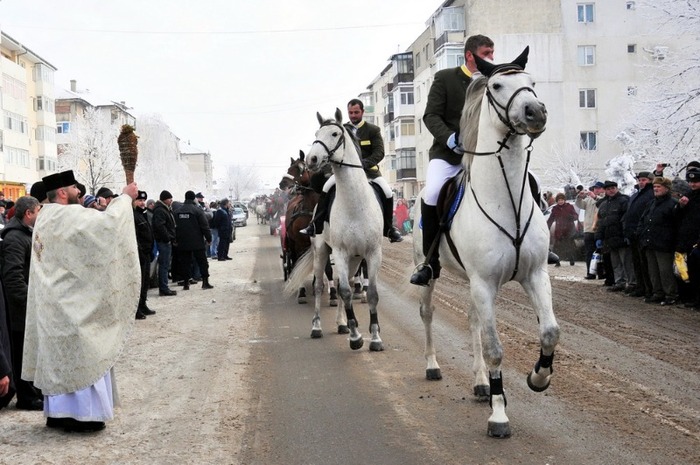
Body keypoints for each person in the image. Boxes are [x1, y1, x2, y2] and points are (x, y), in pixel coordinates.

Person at [23, 169, 140, 432]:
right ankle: (85, 415)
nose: (80, 192)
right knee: (86, 354)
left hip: (52, 306)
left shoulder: (44, 217)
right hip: (74, 305)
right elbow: (108, 226)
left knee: (58, 363)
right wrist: (124, 198)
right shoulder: (69, 214)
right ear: (63, 192)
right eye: (75, 188)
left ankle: (58, 414)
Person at [409, 34, 495, 286]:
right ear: (470, 55)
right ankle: (429, 261)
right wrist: (449, 138)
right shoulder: (445, 78)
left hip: (485, 156)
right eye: (487, 53)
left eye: (492, 52)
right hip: (449, 156)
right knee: (432, 192)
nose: (492, 57)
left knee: (528, 178)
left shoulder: (495, 81)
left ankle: (534, 248)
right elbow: (431, 116)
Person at [299, 99, 403, 243]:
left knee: (387, 192)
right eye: (350, 112)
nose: (353, 115)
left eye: (356, 112)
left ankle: (390, 228)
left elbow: (379, 152)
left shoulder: (373, 130)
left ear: (362, 112)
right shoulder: (341, 129)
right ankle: (315, 225)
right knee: (326, 188)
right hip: (344, 173)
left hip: (369, 173)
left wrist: (363, 164)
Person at [0, 196, 43, 410]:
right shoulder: (15, 238)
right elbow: (13, 277)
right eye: (38, 211)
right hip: (19, 310)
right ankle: (26, 397)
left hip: (26, 307)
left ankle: (32, 392)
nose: (40, 215)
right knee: (21, 353)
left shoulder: (25, 233)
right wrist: (30, 301)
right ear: (28, 214)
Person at [637, 177, 679, 305]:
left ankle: (671, 294)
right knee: (653, 271)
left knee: (665, 271)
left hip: (664, 243)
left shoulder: (672, 203)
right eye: (654, 187)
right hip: (650, 242)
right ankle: (657, 293)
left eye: (658, 187)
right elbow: (643, 220)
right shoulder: (652, 203)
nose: (655, 189)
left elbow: (676, 224)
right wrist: (641, 233)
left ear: (666, 188)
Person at [595, 180, 633, 292]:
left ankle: (631, 283)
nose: (611, 191)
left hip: (621, 237)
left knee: (627, 262)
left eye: (613, 188)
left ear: (617, 188)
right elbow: (601, 222)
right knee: (615, 263)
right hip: (609, 239)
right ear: (605, 191)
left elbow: (627, 219)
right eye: (608, 189)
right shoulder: (604, 204)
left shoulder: (624, 201)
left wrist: (627, 234)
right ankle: (619, 282)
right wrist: (599, 237)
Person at [622, 171, 655, 297]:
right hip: (632, 234)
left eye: (644, 180)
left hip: (642, 234)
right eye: (640, 180)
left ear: (650, 181)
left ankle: (649, 288)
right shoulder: (636, 195)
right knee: (636, 263)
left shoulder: (651, 194)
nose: (641, 182)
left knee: (645, 264)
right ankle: (641, 287)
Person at [174, 191, 214, 290]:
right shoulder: (197, 210)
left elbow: (174, 227)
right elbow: (205, 226)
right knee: (202, 262)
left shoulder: (177, 211)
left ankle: (186, 284)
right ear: (193, 199)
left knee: (185, 263)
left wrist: (175, 239)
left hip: (182, 242)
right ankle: (205, 282)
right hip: (197, 241)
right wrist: (209, 238)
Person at [675, 167, 700, 308]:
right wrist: (681, 206)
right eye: (691, 181)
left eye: (696, 181)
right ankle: (694, 298)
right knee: (691, 272)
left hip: (697, 240)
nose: (692, 184)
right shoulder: (689, 195)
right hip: (688, 239)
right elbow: (680, 218)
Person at [133, 190, 155, 319]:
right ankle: (137, 309)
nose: (142, 203)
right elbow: (136, 237)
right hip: (140, 254)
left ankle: (143, 304)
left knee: (145, 281)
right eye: (139, 200)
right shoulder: (134, 216)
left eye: (143, 201)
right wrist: (140, 252)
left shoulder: (143, 214)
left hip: (147, 253)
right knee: (139, 283)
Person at [576, 181, 605, 278]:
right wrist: (579, 196)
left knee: (601, 253)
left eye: (598, 188)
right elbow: (580, 205)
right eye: (595, 188)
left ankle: (602, 273)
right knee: (589, 253)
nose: (596, 190)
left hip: (599, 230)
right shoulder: (588, 200)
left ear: (602, 189)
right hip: (588, 230)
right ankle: (590, 272)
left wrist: (595, 197)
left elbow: (602, 203)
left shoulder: (604, 198)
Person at [153, 190, 178, 296]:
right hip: (163, 242)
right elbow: (160, 226)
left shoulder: (166, 209)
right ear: (164, 199)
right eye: (169, 198)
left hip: (166, 241)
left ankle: (164, 286)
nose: (171, 200)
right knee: (164, 265)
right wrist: (167, 238)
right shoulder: (160, 210)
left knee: (166, 265)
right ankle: (163, 288)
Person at [547, 193, 579, 266]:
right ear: (557, 201)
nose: (560, 201)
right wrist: (547, 226)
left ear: (564, 200)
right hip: (559, 230)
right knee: (557, 247)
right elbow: (551, 219)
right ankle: (557, 261)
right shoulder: (555, 209)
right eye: (559, 200)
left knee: (569, 246)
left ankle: (571, 259)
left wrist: (572, 217)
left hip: (569, 230)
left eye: (562, 200)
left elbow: (576, 216)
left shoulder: (569, 207)